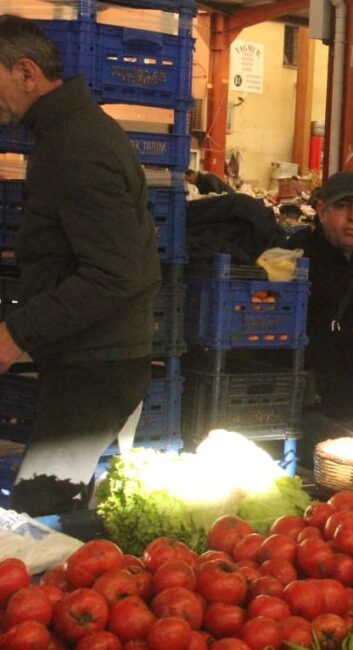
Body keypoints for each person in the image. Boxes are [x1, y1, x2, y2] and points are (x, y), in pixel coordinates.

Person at [0, 16, 160, 515]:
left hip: (99, 364)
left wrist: (16, 333)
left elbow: (112, 273)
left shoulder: (77, 145)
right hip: (89, 355)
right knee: (51, 505)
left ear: (26, 72)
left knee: (38, 513)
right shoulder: (63, 135)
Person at [287, 172, 353, 439]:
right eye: (342, 206)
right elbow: (281, 346)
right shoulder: (296, 260)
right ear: (321, 210)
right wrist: (352, 340)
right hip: (313, 413)